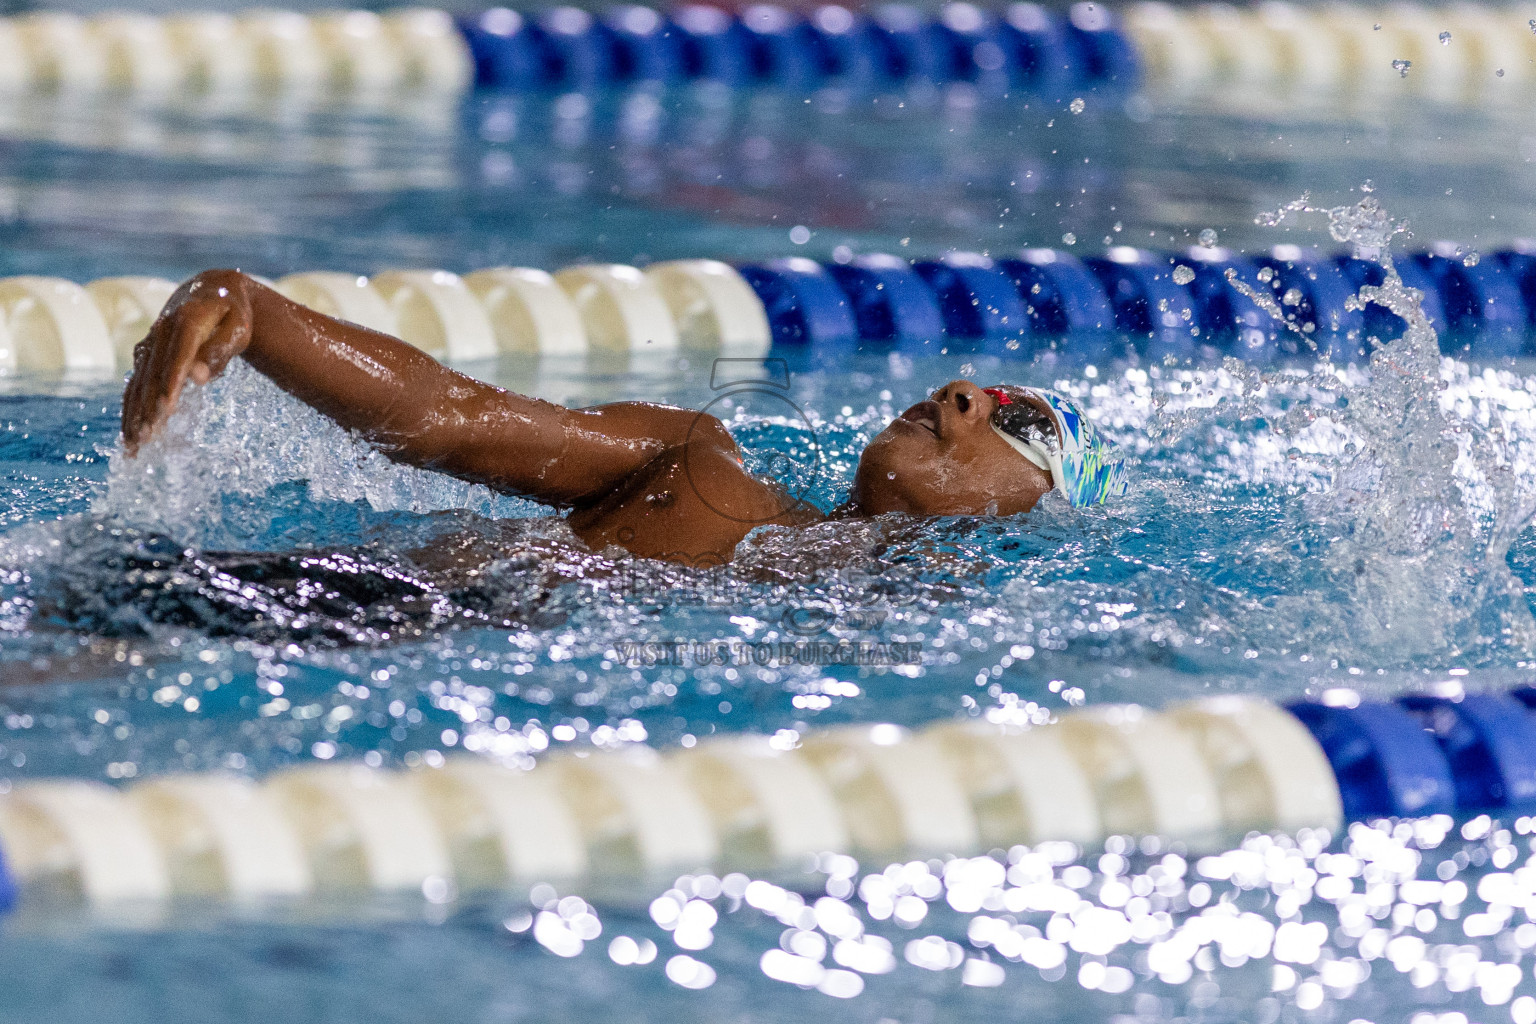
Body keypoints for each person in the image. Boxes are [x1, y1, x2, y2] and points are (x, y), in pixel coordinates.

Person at [121, 270, 1125, 567]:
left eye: (1018, 419)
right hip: (306, 604)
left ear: (1036, 512)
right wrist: (257, 313)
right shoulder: (696, 459)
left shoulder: (932, 663)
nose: (962, 393)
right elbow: (454, 417)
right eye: (977, 385)